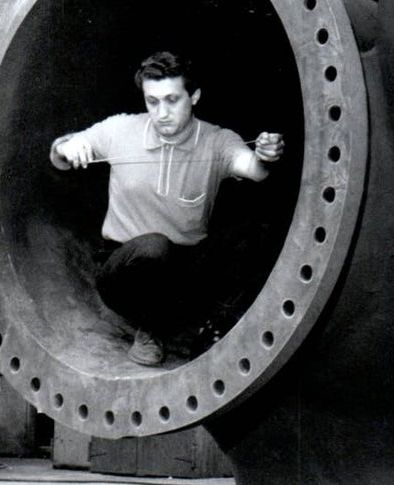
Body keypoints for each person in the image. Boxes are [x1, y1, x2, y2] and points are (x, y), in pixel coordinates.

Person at [50, 50, 284, 366]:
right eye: (152, 101)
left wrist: (266, 156)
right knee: (154, 248)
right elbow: (60, 155)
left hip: (184, 271)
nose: (161, 113)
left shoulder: (216, 140)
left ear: (194, 96)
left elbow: (253, 168)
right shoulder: (121, 129)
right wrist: (69, 146)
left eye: (172, 100)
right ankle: (150, 330)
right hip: (125, 271)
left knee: (253, 233)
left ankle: (211, 329)